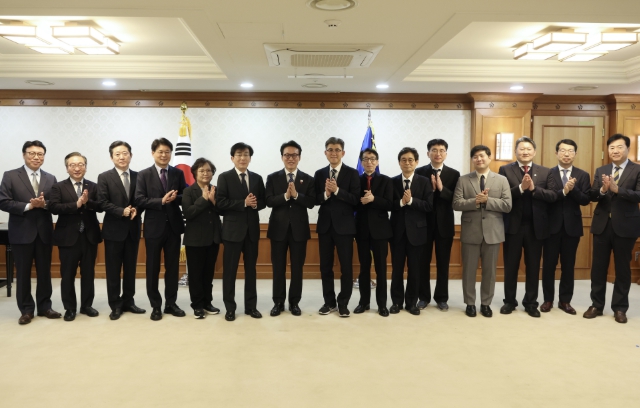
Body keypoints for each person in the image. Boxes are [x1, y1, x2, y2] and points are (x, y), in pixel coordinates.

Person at [0, 141, 61, 325]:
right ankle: (26, 310)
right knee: (23, 273)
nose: (36, 157)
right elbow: (3, 201)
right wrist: (28, 206)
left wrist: (45, 204)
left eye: (40, 154)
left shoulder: (50, 178)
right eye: (32, 153)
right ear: (24, 155)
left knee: (44, 273)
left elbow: (55, 204)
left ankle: (45, 307)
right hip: (21, 232)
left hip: (44, 233)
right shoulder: (10, 175)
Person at [584, 134, 640, 324]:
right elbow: (592, 195)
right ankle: (596, 305)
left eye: (619, 147)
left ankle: (620, 308)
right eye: (612, 148)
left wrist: (618, 190)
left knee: (622, 268)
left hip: (626, 226)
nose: (615, 151)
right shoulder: (602, 170)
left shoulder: (637, 170)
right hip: (602, 225)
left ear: (628, 149)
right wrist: (602, 190)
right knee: (598, 268)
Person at [499, 136, 556, 318]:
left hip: (535, 228)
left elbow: (552, 196)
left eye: (528, 149)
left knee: (533, 266)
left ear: (534, 152)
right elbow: (502, 195)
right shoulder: (505, 170)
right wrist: (521, 188)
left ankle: (531, 303)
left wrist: (533, 189)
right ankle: (509, 301)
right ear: (515, 151)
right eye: (521, 149)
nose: (525, 152)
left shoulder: (545, 172)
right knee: (511, 266)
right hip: (513, 226)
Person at [453, 145, 512, 318]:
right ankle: (470, 303)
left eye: (482, 156)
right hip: (470, 231)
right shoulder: (463, 180)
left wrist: (487, 200)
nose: (479, 159)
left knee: (490, 271)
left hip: (493, 232)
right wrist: (475, 201)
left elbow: (507, 205)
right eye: (475, 157)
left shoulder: (501, 180)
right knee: (469, 271)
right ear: (472, 160)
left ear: (489, 157)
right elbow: (456, 203)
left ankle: (486, 303)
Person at [134, 138, 187, 321]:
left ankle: (171, 303)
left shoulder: (178, 173)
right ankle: (156, 305)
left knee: (173, 268)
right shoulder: (143, 174)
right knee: (152, 268)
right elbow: (139, 199)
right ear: (153, 153)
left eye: (167, 152)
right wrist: (161, 201)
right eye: (160, 152)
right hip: (153, 227)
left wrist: (175, 198)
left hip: (173, 227)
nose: (164, 155)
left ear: (171, 154)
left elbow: (185, 195)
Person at [49, 152, 103, 321]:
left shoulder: (93, 186)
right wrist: (76, 204)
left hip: (89, 236)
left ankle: (86, 306)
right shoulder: (58, 187)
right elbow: (54, 207)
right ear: (67, 168)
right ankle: (70, 308)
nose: (77, 168)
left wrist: (87, 203)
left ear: (85, 167)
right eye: (72, 165)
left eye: (80, 164)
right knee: (67, 275)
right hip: (67, 237)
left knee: (88, 273)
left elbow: (101, 206)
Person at [216, 142, 266, 322]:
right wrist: (243, 203)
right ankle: (230, 308)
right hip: (232, 232)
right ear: (232, 158)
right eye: (239, 154)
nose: (243, 158)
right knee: (230, 272)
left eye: (246, 154)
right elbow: (220, 203)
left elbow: (263, 201)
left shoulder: (257, 178)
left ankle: (251, 307)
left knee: (251, 271)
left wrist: (255, 203)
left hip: (252, 232)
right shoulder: (224, 177)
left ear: (250, 158)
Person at [265, 141, 315, 317]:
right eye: (287, 155)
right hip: (278, 229)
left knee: (297, 268)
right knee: (278, 268)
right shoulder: (272, 177)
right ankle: (278, 302)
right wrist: (286, 196)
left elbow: (311, 202)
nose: (291, 158)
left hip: (299, 230)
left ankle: (294, 302)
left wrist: (296, 195)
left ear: (299, 157)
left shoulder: (308, 179)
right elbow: (268, 200)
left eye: (294, 155)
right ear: (282, 157)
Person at [97, 141, 146, 320]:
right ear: (112, 157)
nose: (121, 157)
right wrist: (121, 211)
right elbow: (102, 202)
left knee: (131, 269)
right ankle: (115, 304)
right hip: (113, 230)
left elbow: (142, 200)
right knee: (113, 270)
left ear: (130, 155)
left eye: (125, 153)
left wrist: (136, 210)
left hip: (133, 229)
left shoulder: (139, 176)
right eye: (117, 154)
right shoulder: (104, 177)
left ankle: (129, 301)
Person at [541, 139, 591, 315]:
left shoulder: (582, 175)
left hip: (572, 227)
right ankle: (548, 300)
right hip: (550, 226)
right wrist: (564, 191)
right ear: (556, 153)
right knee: (549, 265)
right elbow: (546, 197)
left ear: (575, 154)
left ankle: (565, 301)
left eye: (570, 151)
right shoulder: (548, 173)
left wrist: (573, 189)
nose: (567, 154)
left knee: (568, 266)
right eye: (563, 150)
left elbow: (585, 200)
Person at [314, 137, 360, 317]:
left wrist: (338, 191)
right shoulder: (319, 174)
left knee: (346, 267)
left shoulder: (352, 173)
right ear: (325, 153)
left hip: (345, 227)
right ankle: (329, 302)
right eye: (330, 150)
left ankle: (343, 303)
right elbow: (314, 199)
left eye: (337, 150)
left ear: (343, 153)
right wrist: (326, 193)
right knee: (325, 267)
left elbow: (355, 199)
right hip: (325, 227)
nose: (334, 153)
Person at [416, 138, 460, 311]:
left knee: (443, 264)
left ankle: (442, 298)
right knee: (423, 263)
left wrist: (441, 189)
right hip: (423, 225)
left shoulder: (454, 174)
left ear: (446, 154)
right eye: (434, 150)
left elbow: (456, 200)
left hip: (445, 225)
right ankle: (423, 297)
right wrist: (431, 191)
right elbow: (418, 198)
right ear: (428, 153)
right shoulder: (419, 172)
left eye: (441, 150)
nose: (438, 153)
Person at [389, 147, 433, 315]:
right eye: (404, 160)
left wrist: (412, 201)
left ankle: (411, 303)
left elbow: (429, 206)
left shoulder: (424, 182)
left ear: (416, 162)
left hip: (417, 233)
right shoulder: (392, 181)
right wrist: (401, 202)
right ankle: (396, 302)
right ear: (399, 162)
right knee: (397, 270)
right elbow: (388, 204)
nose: (407, 163)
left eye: (410, 160)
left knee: (415, 270)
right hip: (397, 233)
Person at [354, 148, 392, 317]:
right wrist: (361, 201)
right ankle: (364, 302)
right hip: (361, 230)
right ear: (361, 162)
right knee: (364, 268)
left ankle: (382, 305)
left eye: (372, 159)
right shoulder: (356, 180)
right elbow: (351, 202)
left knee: (381, 269)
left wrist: (374, 199)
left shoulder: (386, 180)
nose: (369, 162)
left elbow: (390, 204)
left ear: (377, 162)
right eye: (365, 159)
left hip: (381, 231)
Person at [182, 158, 222, 319]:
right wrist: (204, 199)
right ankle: (197, 305)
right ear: (195, 173)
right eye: (202, 170)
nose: (205, 173)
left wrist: (214, 201)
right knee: (195, 275)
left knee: (208, 274)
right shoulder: (188, 191)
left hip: (213, 238)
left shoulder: (216, 189)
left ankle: (207, 303)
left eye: (208, 170)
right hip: (195, 240)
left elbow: (223, 210)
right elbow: (188, 213)